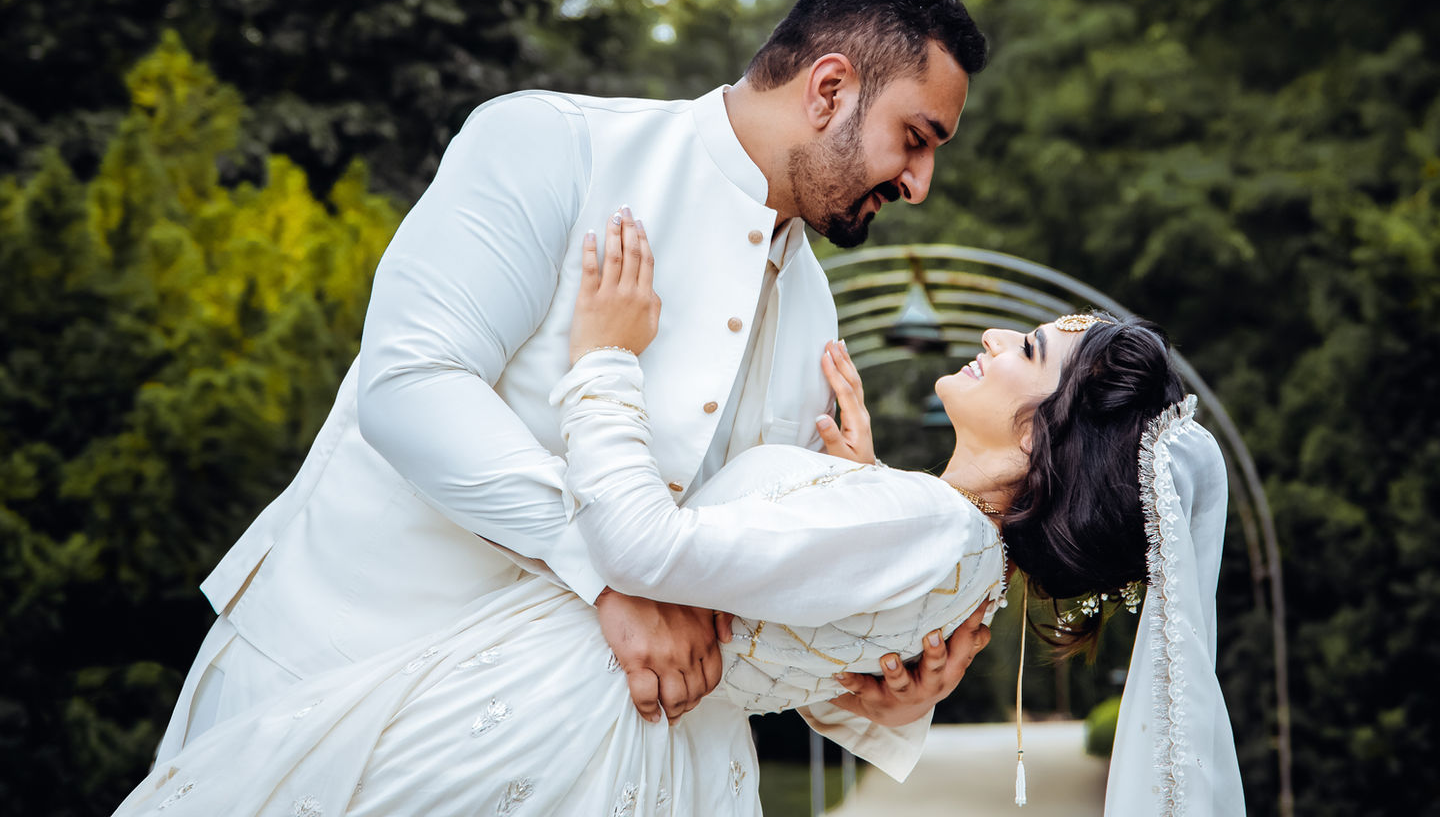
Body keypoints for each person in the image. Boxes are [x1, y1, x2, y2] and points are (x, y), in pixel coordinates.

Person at [154, 0, 991, 763]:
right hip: (340, 686)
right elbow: (411, 384)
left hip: (591, 756)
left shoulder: (815, 311)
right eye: (915, 139)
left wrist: (868, 689)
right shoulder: (551, 145)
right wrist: (609, 578)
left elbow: (752, 592)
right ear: (830, 88)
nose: (919, 183)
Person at [117, 218, 1244, 816]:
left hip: (560, 714)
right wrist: (858, 482)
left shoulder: (933, 541)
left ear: (1045, 439)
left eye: (1030, 351)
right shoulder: (947, 552)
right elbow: (790, 652)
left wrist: (604, 361)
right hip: (632, 730)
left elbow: (646, 551)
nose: (999, 340)